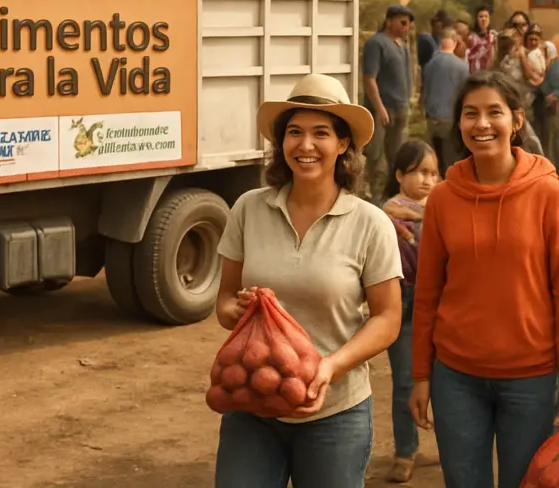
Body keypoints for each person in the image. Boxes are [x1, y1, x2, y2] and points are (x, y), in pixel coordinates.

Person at [214, 74, 403, 488]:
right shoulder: (249, 209)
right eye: (294, 133)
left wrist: (330, 367)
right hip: (253, 407)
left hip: (335, 414)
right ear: (282, 143)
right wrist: (238, 310)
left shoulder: (370, 223)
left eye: (321, 133)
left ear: (343, 145)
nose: (305, 145)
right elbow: (224, 302)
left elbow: (387, 318)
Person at [410, 71, 559, 488]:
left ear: (517, 120)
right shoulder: (442, 197)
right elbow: (427, 295)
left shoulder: (548, 193)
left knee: (525, 482)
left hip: (532, 378)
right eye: (470, 113)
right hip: (456, 378)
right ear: (459, 123)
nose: (482, 124)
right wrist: (421, 376)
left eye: (494, 112)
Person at [382, 141, 439, 484]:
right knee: (405, 382)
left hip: (438, 301)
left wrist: (419, 215)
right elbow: (391, 209)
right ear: (400, 174)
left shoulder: (442, 204)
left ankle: (454, 446)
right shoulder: (387, 208)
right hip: (401, 302)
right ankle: (405, 452)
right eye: (418, 171)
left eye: (433, 172)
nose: (427, 180)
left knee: (448, 382)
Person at [362, 5, 414, 202]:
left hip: (401, 108)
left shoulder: (402, 46)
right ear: (389, 21)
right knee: (377, 157)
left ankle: (393, 198)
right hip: (382, 110)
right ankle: (375, 199)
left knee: (398, 157)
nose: (406, 27)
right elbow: (369, 79)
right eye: (402, 22)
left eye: (408, 23)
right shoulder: (377, 43)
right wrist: (379, 107)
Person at [421, 27, 469, 176]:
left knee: (435, 157)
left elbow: (424, 91)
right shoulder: (461, 66)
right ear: (454, 42)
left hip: (432, 117)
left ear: (441, 43)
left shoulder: (429, 65)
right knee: (450, 158)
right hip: (450, 118)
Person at [467, 5, 498, 74]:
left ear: (489, 19)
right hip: (473, 73)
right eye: (481, 16)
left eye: (486, 16)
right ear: (476, 19)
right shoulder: (470, 37)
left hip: (490, 73)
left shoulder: (494, 36)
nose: (483, 19)